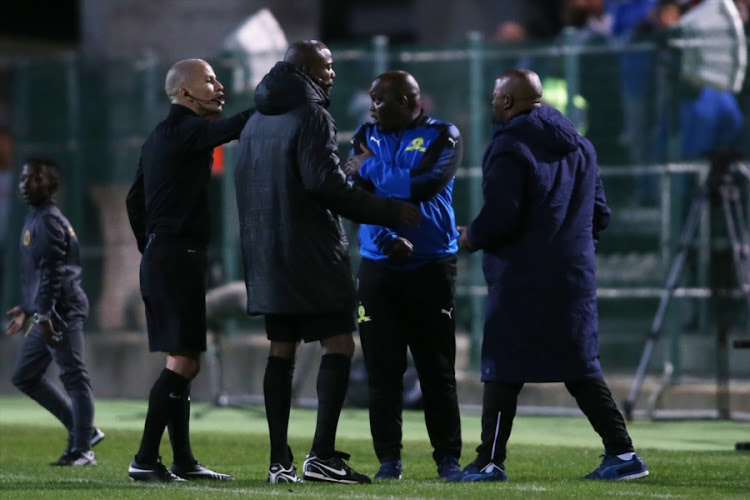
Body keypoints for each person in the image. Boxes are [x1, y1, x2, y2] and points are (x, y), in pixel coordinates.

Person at [234, 40, 420, 485]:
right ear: (305, 70)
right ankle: (321, 457)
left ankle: (280, 461)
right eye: (327, 65)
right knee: (338, 343)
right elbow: (326, 186)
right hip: (312, 253)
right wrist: (388, 211)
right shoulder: (312, 114)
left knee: (281, 350)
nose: (332, 72)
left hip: (266, 254)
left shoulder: (258, 118)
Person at [455, 69, 649, 482]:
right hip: (573, 275)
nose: (491, 104)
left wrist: (471, 237)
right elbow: (600, 213)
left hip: (522, 276)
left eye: (494, 97)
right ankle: (623, 453)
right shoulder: (581, 145)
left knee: (504, 366)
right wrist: (571, 251)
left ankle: (489, 461)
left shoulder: (509, 146)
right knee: (580, 366)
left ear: (507, 101)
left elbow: (502, 216)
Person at [125, 58, 252, 482]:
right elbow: (232, 127)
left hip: (163, 256)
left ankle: (182, 460)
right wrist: (274, 100)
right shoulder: (189, 130)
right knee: (183, 362)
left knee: (185, 360)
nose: (219, 87)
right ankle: (145, 458)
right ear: (184, 94)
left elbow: (133, 201)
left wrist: (153, 245)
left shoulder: (158, 137)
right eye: (209, 81)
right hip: (176, 257)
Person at [344, 70, 463, 481]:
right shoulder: (365, 134)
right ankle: (388, 461)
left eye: (380, 99)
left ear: (410, 101)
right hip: (379, 264)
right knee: (382, 370)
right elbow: (353, 193)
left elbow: (428, 184)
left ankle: (448, 459)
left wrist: (373, 168)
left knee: (436, 369)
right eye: (372, 99)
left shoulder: (443, 135)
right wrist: (385, 232)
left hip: (431, 265)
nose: (372, 107)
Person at [6, 156, 104, 466]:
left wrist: (44, 315)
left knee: (74, 378)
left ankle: (82, 450)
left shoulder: (48, 221)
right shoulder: (35, 217)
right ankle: (83, 430)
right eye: (23, 178)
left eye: (34, 178)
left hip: (61, 312)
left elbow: (53, 273)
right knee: (25, 376)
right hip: (46, 311)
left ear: (51, 184)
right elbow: (39, 273)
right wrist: (26, 308)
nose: (25, 184)